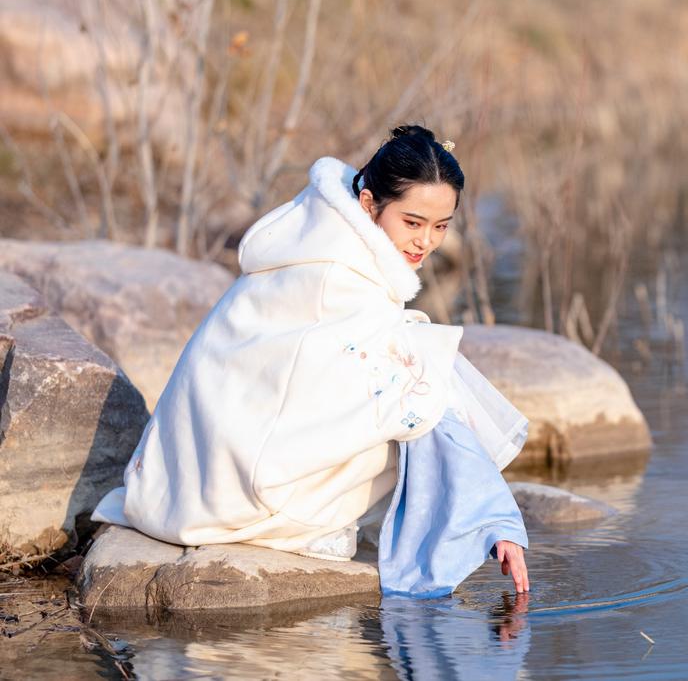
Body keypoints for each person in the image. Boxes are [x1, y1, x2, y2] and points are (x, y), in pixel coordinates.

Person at [91, 125, 530, 595]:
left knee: (416, 369)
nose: (426, 242)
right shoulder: (340, 282)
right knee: (416, 401)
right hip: (232, 492)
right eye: (413, 222)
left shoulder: (314, 239)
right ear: (368, 204)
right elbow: (424, 406)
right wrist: (490, 514)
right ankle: (306, 527)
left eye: (440, 227)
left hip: (185, 475)